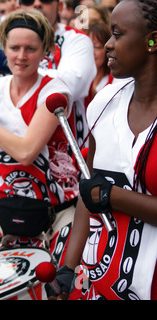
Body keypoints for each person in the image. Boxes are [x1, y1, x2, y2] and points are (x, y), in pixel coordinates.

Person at [53, 0, 157, 300]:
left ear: (152, 42)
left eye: (118, 34)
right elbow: (90, 189)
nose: (108, 45)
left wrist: (113, 196)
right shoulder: (104, 102)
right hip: (100, 284)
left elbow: (101, 192)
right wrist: (68, 269)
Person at [0, 9, 79, 267]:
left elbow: (26, 152)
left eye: (31, 48)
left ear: (45, 50)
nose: (21, 56)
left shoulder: (56, 91)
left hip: (56, 215)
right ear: (2, 47)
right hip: (7, 209)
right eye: (14, 47)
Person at [0, 0, 96, 148]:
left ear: (59, 6)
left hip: (63, 156)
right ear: (17, 7)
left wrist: (18, 72)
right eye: (28, 0)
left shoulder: (76, 40)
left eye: (31, 49)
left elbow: (72, 84)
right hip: (6, 157)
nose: (37, 4)